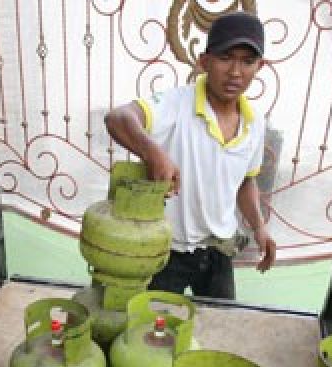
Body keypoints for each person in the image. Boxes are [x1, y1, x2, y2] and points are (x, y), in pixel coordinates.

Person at [103, 10, 276, 300]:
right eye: (225, 58)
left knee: (220, 324)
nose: (235, 72)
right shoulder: (174, 104)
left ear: (260, 66)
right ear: (204, 61)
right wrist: (153, 153)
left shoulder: (255, 122)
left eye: (247, 62)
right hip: (164, 251)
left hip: (218, 250)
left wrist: (259, 228)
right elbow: (118, 118)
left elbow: (246, 182)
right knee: (152, 331)